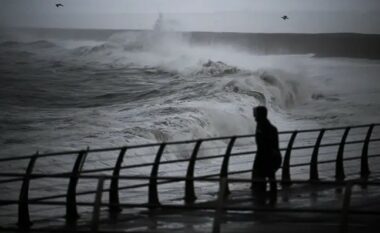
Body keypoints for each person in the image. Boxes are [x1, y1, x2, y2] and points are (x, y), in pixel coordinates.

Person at [251, 106, 281, 203]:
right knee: (270, 177)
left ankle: (264, 203)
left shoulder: (263, 126)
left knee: (262, 178)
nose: (254, 116)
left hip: (265, 157)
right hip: (268, 156)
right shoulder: (265, 125)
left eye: (255, 114)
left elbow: (265, 144)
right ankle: (270, 200)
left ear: (260, 115)